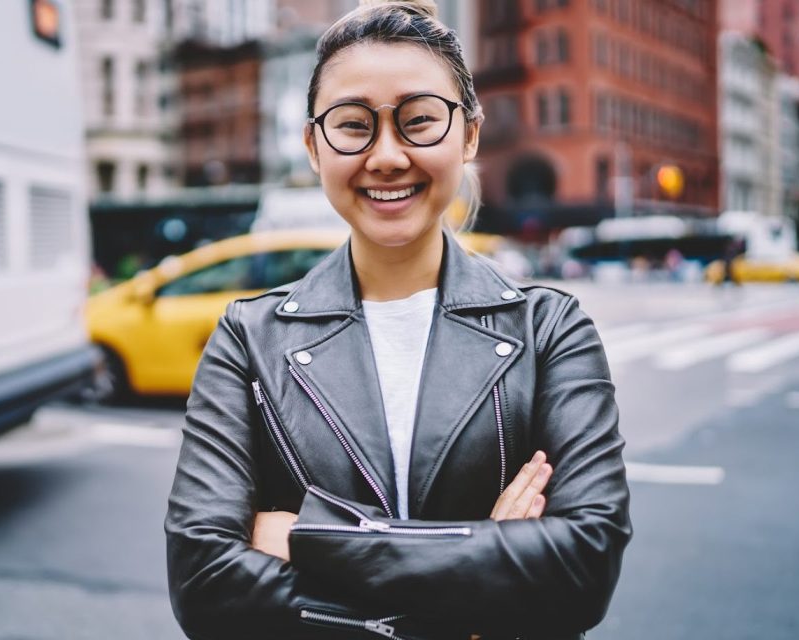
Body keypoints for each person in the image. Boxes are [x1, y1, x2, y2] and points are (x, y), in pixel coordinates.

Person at [165, 2, 631, 638]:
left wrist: (310, 536)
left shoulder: (549, 331)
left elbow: (583, 567)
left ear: (468, 134)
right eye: (353, 126)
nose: (386, 156)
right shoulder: (249, 339)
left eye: (419, 122)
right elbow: (204, 586)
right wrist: (484, 564)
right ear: (313, 146)